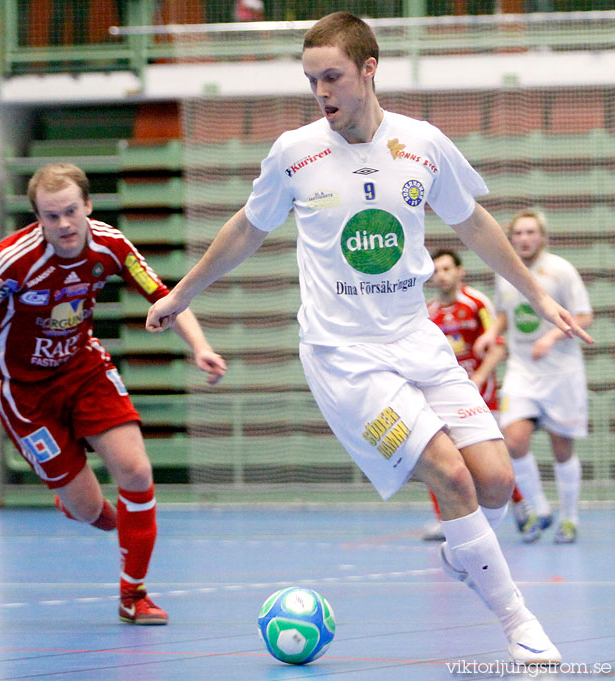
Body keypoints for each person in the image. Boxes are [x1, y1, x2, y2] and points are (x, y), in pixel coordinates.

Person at [145, 12, 593, 664]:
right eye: (311, 79)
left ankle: (468, 556)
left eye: (332, 77)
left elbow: (473, 226)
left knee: (496, 481)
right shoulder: (295, 152)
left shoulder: (423, 144)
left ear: (368, 70)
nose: (320, 91)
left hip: (417, 339)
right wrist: (181, 293)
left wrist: (540, 294)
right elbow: (246, 228)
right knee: (451, 476)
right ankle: (521, 622)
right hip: (343, 357)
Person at [0, 163, 226, 625]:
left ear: (87, 206)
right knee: (92, 512)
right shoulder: (12, 261)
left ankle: (133, 596)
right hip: (22, 392)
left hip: (82, 368)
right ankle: (76, 500)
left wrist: (200, 347)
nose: (62, 225)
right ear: (37, 218)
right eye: (50, 216)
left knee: (136, 470)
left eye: (69, 212)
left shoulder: (111, 245)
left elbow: (164, 296)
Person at [476, 210, 592, 545]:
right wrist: (491, 334)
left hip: (561, 372)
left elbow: (584, 315)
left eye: (530, 232)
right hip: (522, 370)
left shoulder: (560, 271)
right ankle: (540, 508)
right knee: (513, 439)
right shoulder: (506, 271)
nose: (524, 239)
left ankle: (569, 519)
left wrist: (552, 336)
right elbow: (503, 314)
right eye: (518, 233)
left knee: (561, 447)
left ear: (542, 237)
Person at [422, 249, 530, 541]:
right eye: (436, 270)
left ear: (460, 272)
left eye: (446, 268)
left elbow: (498, 346)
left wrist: (480, 378)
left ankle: (521, 504)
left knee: (491, 460)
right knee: (439, 453)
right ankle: (448, 519)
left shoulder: (476, 303)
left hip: (481, 393)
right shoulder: (428, 312)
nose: (440, 275)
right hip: (444, 395)